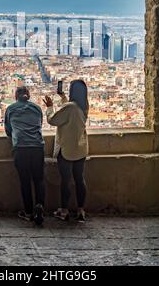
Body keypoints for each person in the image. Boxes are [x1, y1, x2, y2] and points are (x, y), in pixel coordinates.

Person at [43, 80, 89, 222]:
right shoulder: (84, 106)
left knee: (66, 181)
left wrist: (50, 107)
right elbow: (70, 111)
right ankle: (81, 210)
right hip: (80, 148)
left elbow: (53, 120)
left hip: (66, 149)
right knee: (79, 179)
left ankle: (64, 211)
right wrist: (63, 97)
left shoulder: (70, 107)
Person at [5, 86, 45, 225]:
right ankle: (40, 205)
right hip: (37, 147)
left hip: (21, 148)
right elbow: (40, 124)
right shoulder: (37, 108)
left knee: (25, 181)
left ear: (16, 96)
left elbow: (8, 131)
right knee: (39, 179)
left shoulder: (11, 109)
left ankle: (28, 212)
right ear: (28, 95)